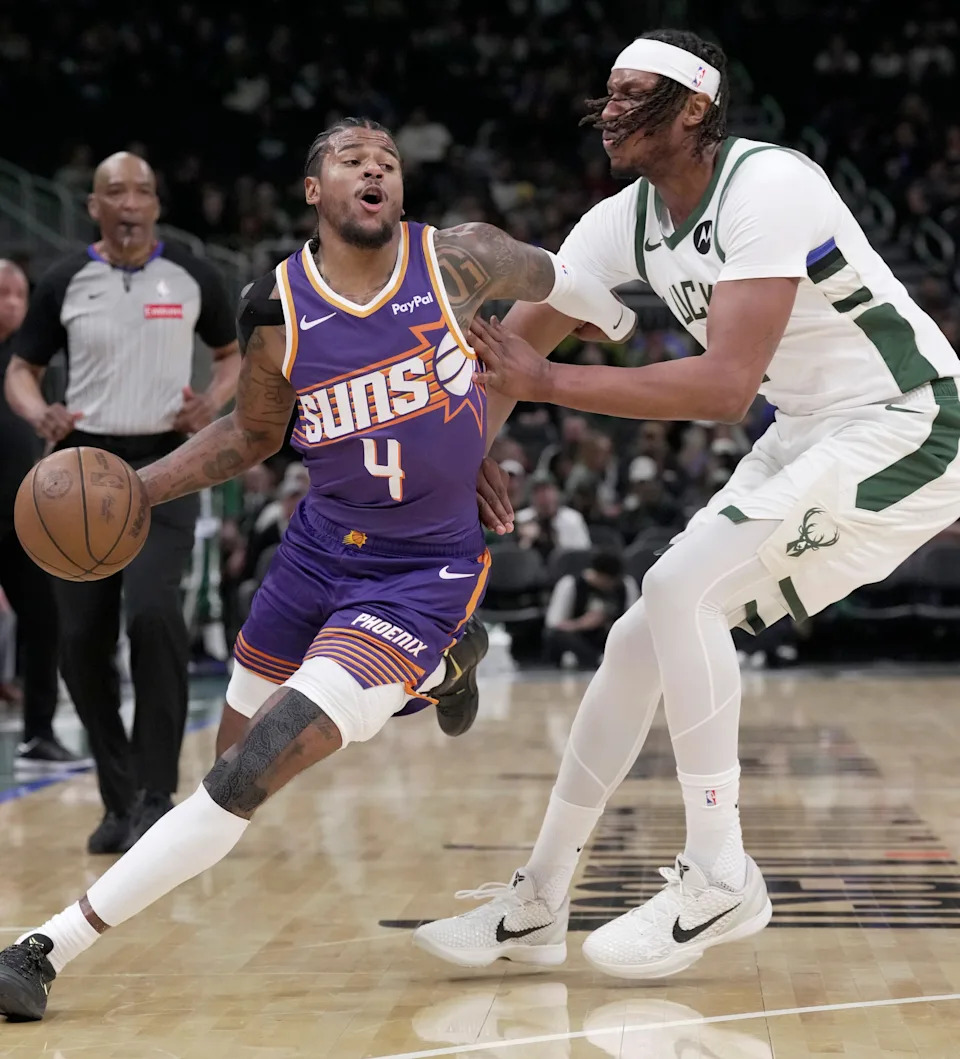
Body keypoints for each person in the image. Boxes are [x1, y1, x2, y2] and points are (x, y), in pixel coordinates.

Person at [0, 116, 636, 1021]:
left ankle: (44, 948)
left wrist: (617, 321)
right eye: (352, 160)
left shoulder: (460, 261)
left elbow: (558, 276)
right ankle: (439, 674)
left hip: (420, 575)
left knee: (247, 771)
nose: (375, 169)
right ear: (315, 190)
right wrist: (138, 487)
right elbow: (253, 434)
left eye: (387, 161)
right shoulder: (274, 308)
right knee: (228, 764)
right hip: (315, 555)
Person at [413, 28, 960, 979]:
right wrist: (463, 459)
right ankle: (539, 900)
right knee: (640, 635)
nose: (609, 110)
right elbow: (515, 350)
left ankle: (720, 873)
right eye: (608, 92)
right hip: (807, 428)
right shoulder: (620, 221)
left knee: (679, 590)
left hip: (908, 420)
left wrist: (551, 384)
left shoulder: (768, 183)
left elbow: (723, 388)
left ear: (696, 108)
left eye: (634, 94)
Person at [4, 152, 241, 853]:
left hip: (167, 465)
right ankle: (118, 797)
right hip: (81, 471)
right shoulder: (64, 280)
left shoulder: (194, 274)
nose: (130, 201)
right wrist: (38, 412)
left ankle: (156, 796)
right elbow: (22, 370)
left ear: (157, 205)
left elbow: (232, 356)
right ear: (94, 207)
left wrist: (212, 402)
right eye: (115, 191)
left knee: (154, 615)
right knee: (80, 641)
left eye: (142, 190)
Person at [0, 261, 88, 770]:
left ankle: (39, 734)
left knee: (45, 619)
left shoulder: (34, 360)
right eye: (3, 293)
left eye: (20, 294)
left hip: (20, 519)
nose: (14, 302)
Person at [543, 550, 639, 669]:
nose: (609, 586)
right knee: (556, 636)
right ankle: (595, 659)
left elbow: (633, 620)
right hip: (579, 635)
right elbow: (553, 624)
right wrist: (582, 623)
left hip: (609, 635)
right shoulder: (571, 584)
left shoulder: (626, 585)